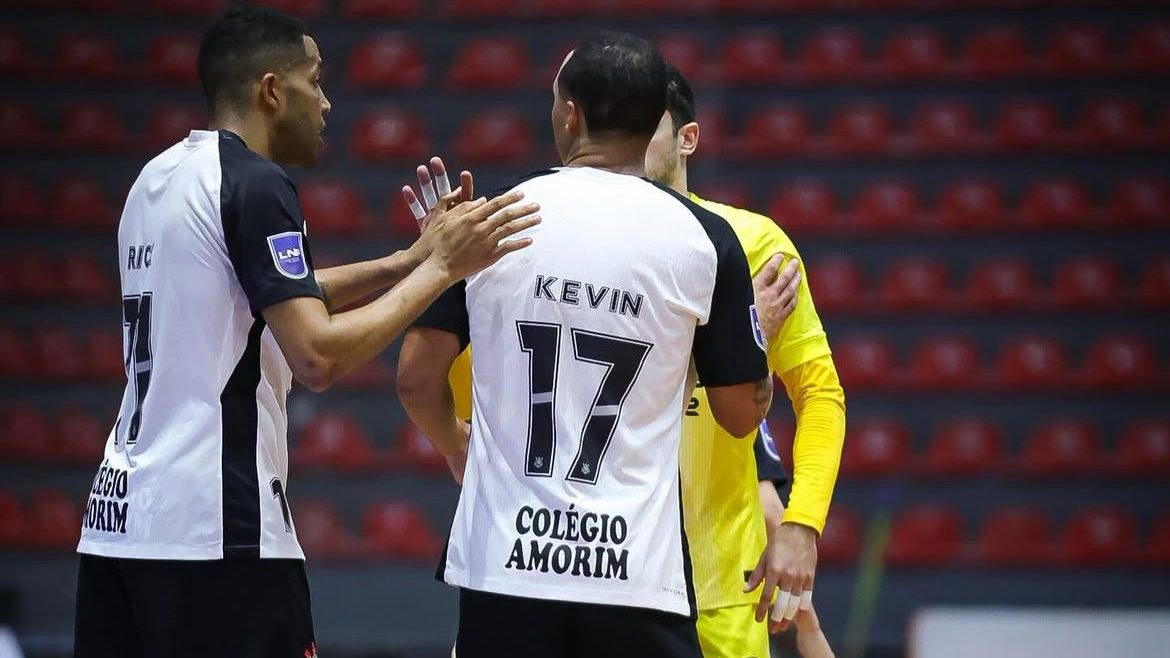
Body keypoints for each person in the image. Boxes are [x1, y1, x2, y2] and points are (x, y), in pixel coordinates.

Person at [72, 6, 539, 658]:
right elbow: (316, 355)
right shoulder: (256, 183)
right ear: (271, 90)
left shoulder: (156, 179)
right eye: (315, 81)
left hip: (118, 525)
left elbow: (260, 297)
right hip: (217, 533)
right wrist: (442, 269)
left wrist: (407, 260)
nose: (326, 103)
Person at [396, 32, 778, 657]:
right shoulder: (705, 240)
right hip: (637, 574)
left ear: (569, 114)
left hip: (506, 564)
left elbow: (415, 379)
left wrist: (455, 445)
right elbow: (740, 415)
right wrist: (751, 345)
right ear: (657, 121)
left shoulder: (489, 223)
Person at [645, 65, 846, 658]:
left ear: (688, 138)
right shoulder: (576, 244)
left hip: (721, 593)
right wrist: (740, 332)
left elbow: (819, 394)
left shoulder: (754, 243)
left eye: (643, 125)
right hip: (599, 583)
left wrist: (802, 525)